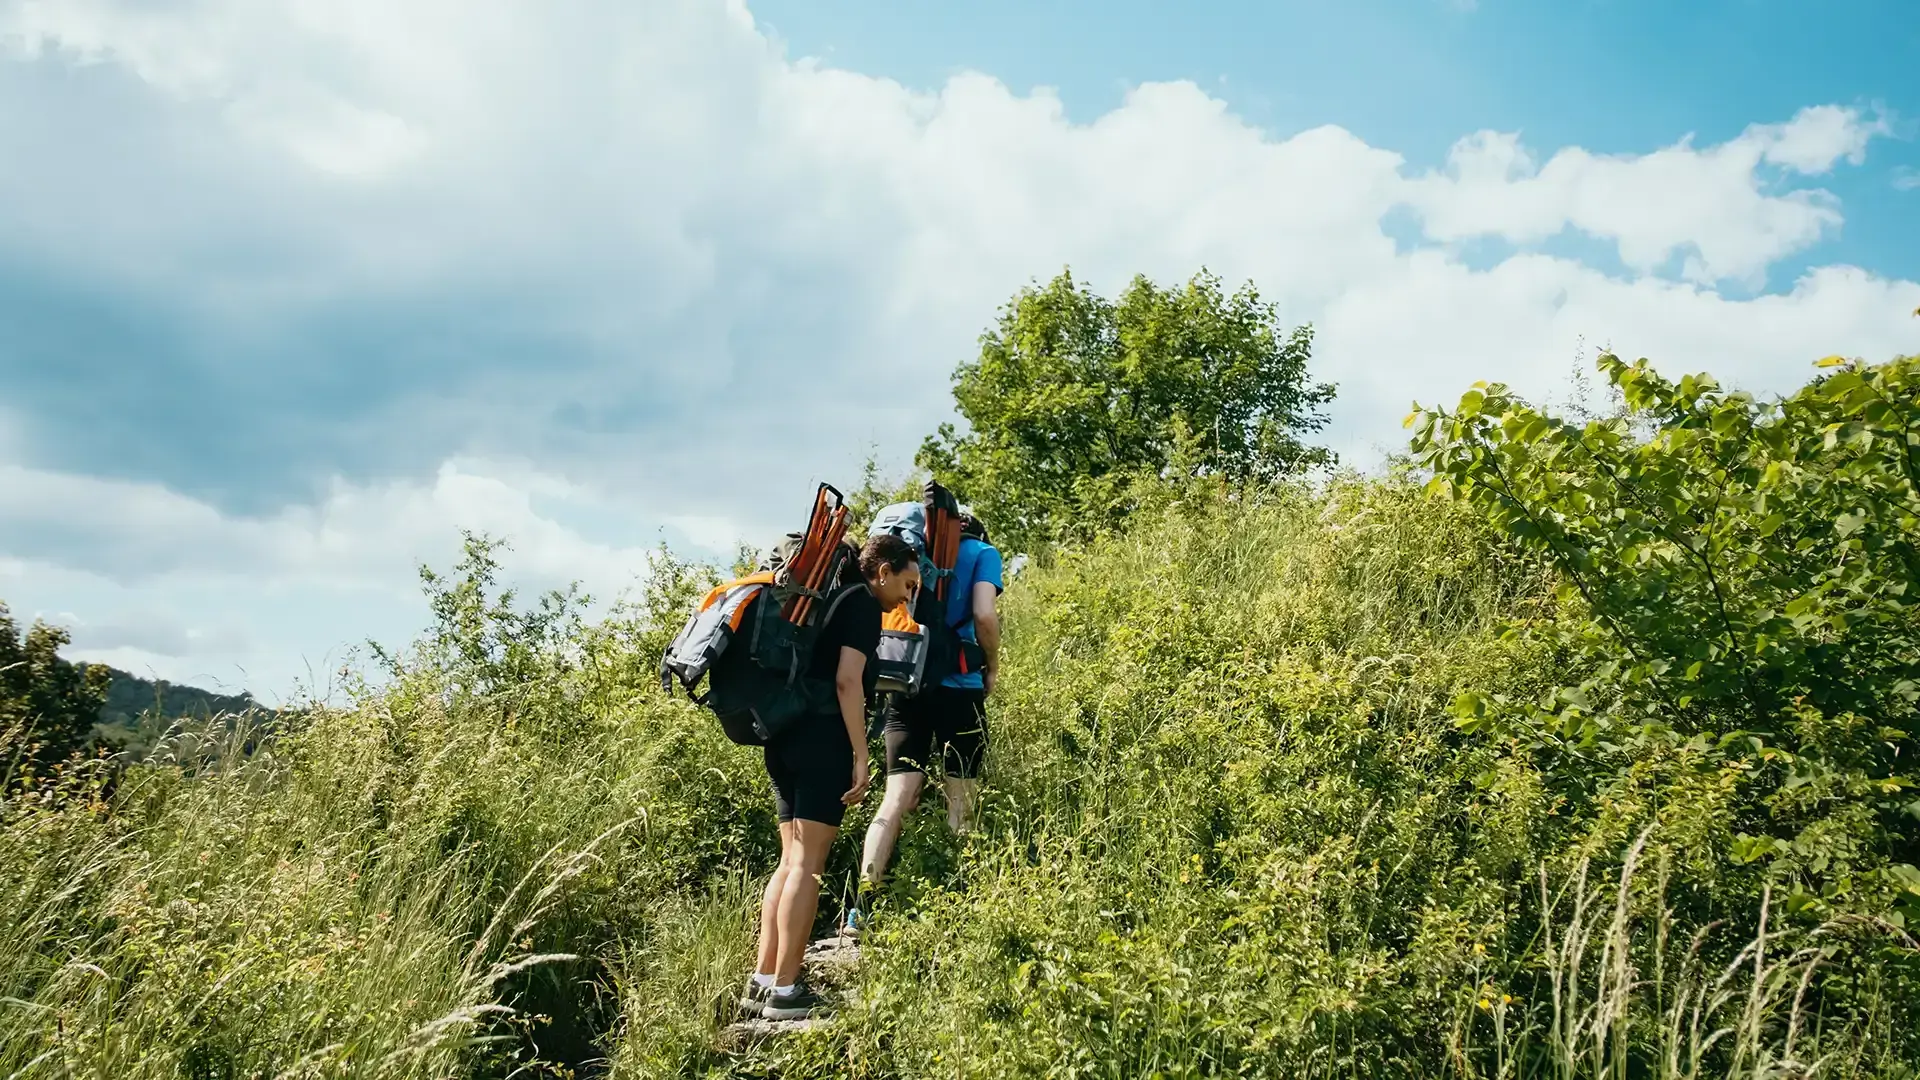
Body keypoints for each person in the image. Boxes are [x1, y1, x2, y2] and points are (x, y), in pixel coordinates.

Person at [742, 533, 920, 1022]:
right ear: (882, 570)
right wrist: (861, 756)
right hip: (824, 741)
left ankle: (762, 981)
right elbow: (847, 681)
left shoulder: (829, 599)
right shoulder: (861, 605)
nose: (907, 596)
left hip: (784, 736)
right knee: (808, 867)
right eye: (907, 583)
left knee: (789, 862)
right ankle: (785, 990)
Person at [847, 506, 1003, 930]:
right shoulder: (983, 553)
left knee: (895, 798)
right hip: (960, 691)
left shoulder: (907, 557)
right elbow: (985, 616)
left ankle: (861, 906)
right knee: (961, 800)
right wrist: (990, 666)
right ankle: (960, 905)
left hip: (905, 687)